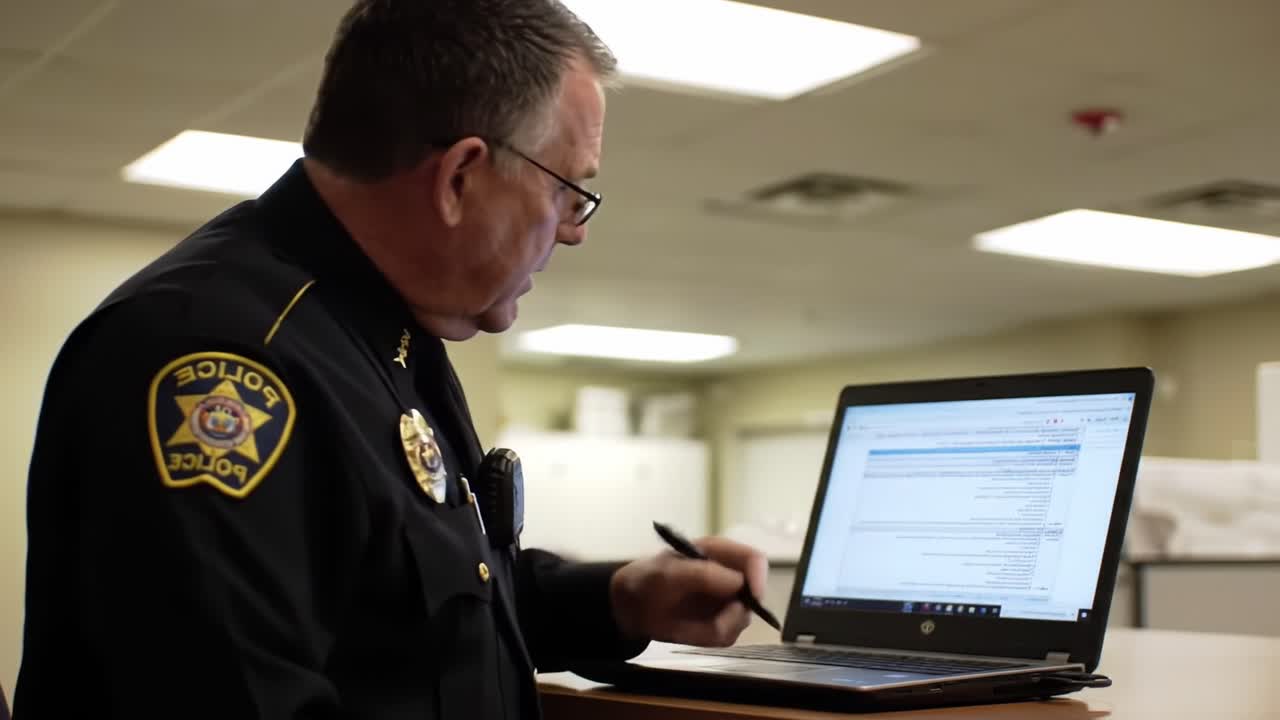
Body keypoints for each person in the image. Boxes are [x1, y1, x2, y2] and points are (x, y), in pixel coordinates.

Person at [12, 1, 769, 718]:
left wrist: (620, 597)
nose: (574, 232)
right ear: (460, 178)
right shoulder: (219, 359)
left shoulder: (380, 334)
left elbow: (420, 620)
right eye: (570, 193)